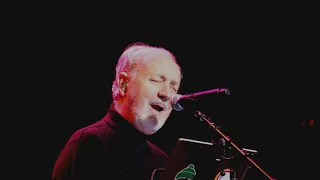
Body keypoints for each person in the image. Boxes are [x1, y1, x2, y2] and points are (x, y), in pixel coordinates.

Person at [52, 42, 183, 180]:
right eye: (156, 80)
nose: (167, 94)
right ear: (123, 84)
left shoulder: (162, 161)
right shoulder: (90, 143)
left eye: (173, 87)